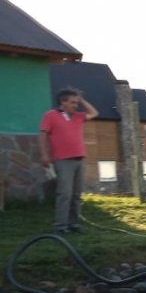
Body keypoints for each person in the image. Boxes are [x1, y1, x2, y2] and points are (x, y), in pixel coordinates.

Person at [39, 89, 99, 234]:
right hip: (63, 160)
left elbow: (94, 113)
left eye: (77, 103)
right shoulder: (50, 116)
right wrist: (44, 155)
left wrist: (82, 99)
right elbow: (42, 135)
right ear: (63, 102)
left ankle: (73, 224)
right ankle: (60, 226)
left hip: (79, 159)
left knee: (76, 194)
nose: (76, 105)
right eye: (73, 102)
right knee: (64, 194)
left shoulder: (78, 117)